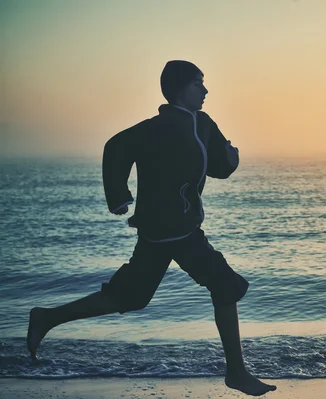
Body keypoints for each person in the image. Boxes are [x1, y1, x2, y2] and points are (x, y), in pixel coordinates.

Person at [26, 60, 277, 396]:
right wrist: (118, 197)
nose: (204, 90)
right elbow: (116, 147)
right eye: (197, 84)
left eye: (203, 84)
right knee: (225, 285)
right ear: (178, 89)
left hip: (176, 229)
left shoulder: (202, 123)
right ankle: (237, 372)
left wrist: (232, 157)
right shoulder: (155, 127)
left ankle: (46, 318)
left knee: (133, 296)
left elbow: (218, 165)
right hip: (166, 228)